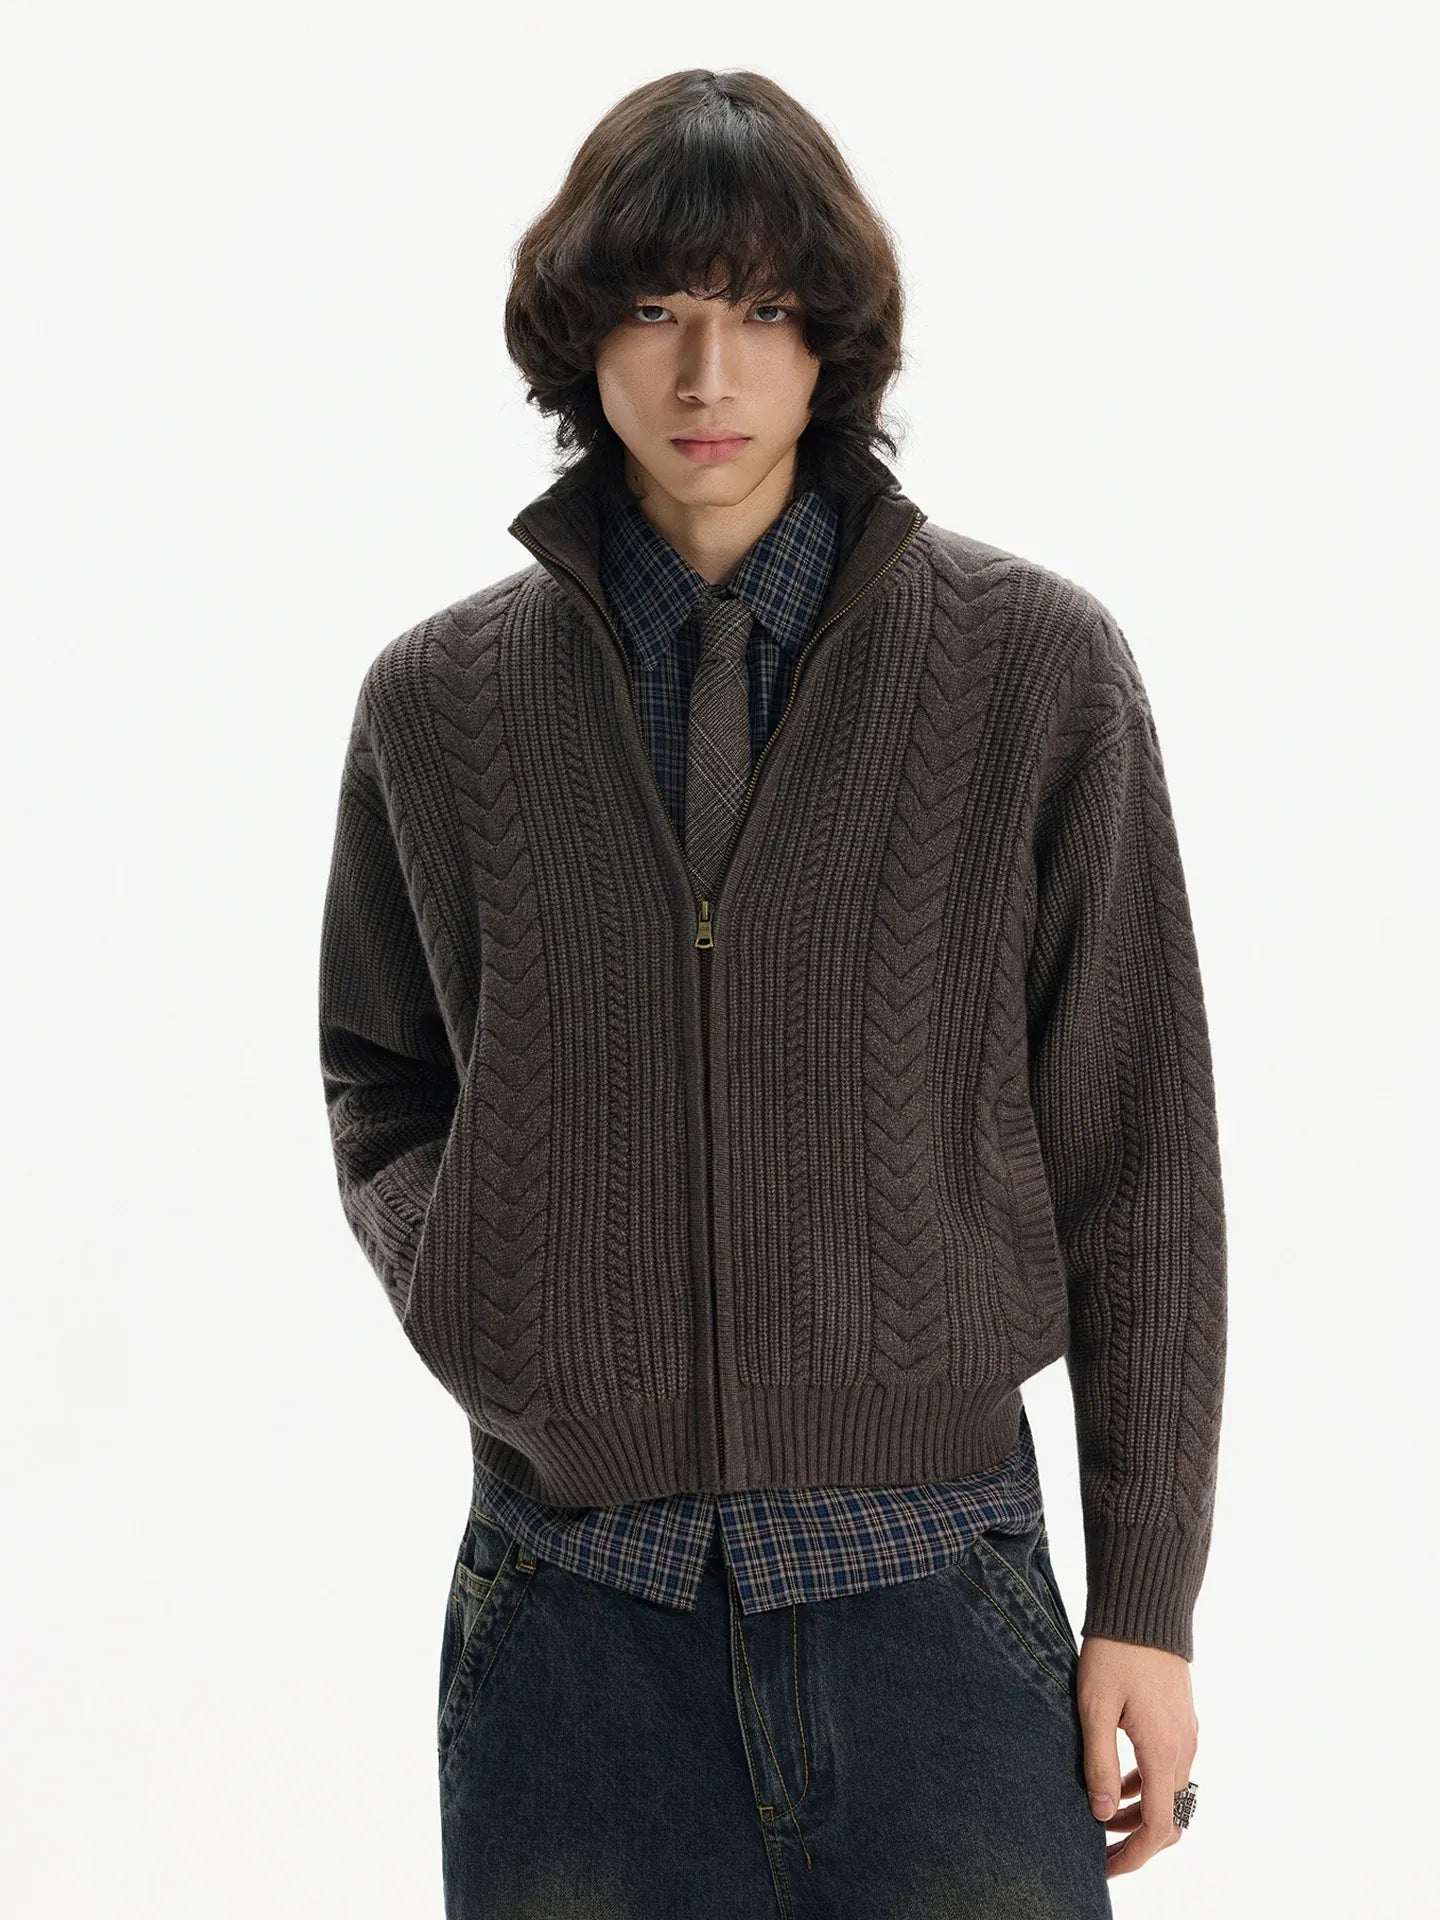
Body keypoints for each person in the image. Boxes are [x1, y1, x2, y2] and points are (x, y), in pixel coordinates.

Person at [317, 67, 1226, 1919]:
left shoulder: (1036, 674)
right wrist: (489, 1291)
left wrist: (1148, 1599)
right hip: (574, 1622)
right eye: (655, 308)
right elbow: (381, 1072)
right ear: (583, 338)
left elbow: (1139, 1152)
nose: (707, 373)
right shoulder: (441, 704)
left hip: (938, 1602)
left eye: (760, 308)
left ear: (835, 342)